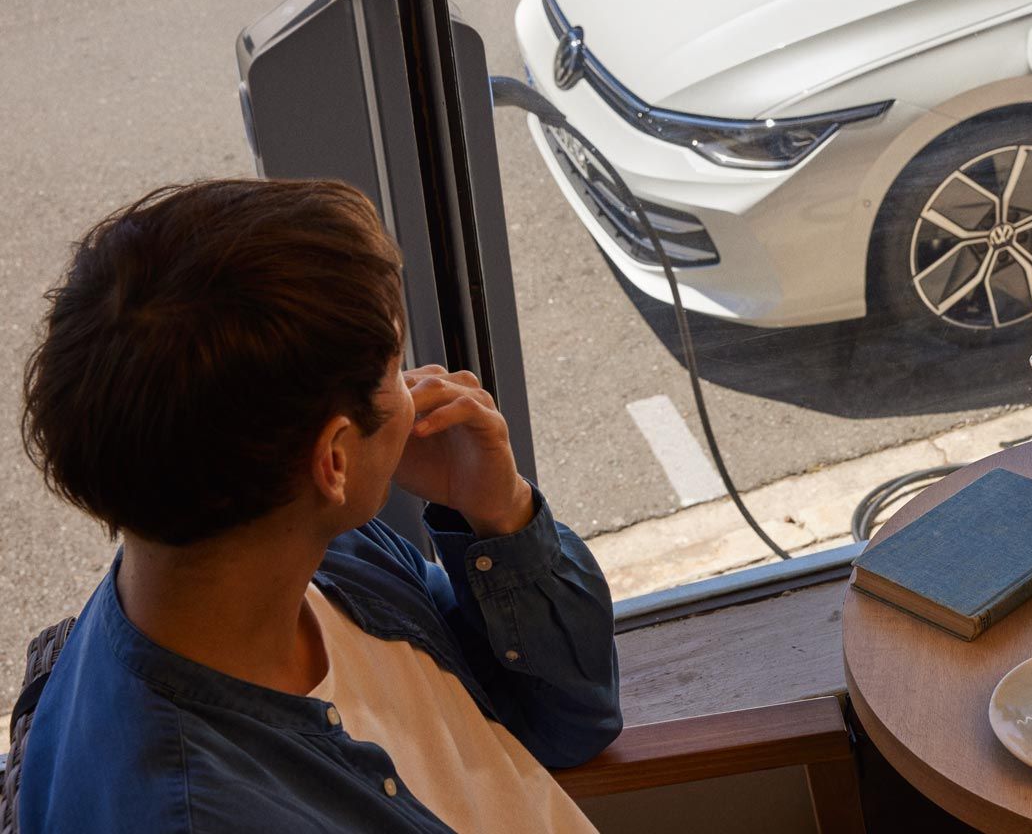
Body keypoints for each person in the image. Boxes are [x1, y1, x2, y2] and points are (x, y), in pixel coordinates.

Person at [14, 178, 621, 832]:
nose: (423, 389)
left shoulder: (326, 557)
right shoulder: (196, 812)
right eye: (395, 369)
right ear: (333, 459)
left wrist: (499, 514)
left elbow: (571, 719)